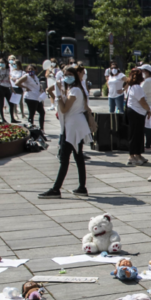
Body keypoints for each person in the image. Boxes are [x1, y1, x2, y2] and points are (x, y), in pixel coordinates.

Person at [38, 65, 90, 199]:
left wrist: (59, 96)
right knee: (77, 157)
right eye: (65, 75)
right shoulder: (73, 90)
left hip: (73, 127)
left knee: (65, 158)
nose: (66, 77)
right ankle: (81, 187)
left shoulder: (76, 91)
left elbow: (65, 109)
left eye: (69, 75)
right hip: (71, 126)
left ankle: (56, 189)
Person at [124, 67, 151, 166]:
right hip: (136, 113)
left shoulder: (131, 86)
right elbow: (142, 101)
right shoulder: (137, 87)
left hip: (136, 112)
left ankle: (138, 154)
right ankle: (132, 156)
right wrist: (148, 109)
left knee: (138, 135)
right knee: (135, 135)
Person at [17, 65, 46, 131]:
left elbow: (37, 85)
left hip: (37, 97)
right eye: (29, 69)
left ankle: (41, 128)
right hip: (30, 97)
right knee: (32, 113)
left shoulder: (35, 77)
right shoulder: (26, 76)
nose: (30, 70)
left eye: (32, 69)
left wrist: (40, 88)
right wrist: (25, 87)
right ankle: (30, 129)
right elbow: (17, 83)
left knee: (42, 112)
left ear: (35, 70)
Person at [0, 58, 15, 123]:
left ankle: (12, 118)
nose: (1, 63)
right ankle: (3, 118)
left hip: (7, 87)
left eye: (2, 62)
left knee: (11, 103)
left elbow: (9, 79)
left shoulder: (8, 70)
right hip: (0, 87)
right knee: (1, 103)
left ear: (6, 63)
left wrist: (12, 88)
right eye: (0, 62)